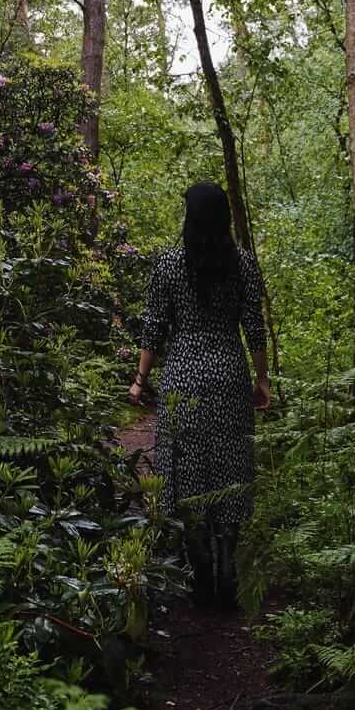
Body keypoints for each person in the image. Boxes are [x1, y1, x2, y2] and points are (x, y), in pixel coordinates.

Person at [128, 182, 269, 610]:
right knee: (229, 467)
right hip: (228, 373)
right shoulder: (243, 263)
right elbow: (254, 328)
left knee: (185, 467)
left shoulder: (169, 264)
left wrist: (139, 378)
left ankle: (200, 568)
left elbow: (154, 327)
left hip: (184, 376)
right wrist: (261, 381)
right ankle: (228, 557)